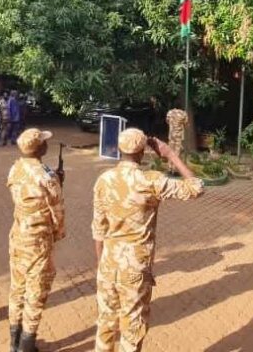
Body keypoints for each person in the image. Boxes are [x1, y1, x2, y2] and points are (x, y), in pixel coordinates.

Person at [92, 128, 204, 352]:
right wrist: (170, 154)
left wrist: (101, 264)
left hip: (108, 262)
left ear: (120, 149)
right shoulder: (150, 181)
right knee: (133, 328)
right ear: (143, 152)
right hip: (135, 266)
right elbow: (197, 187)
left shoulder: (104, 180)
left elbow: (98, 230)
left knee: (105, 324)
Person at [7, 128, 65, 352]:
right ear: (39, 148)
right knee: (36, 289)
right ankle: (27, 343)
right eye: (44, 142)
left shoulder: (15, 168)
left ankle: (14, 340)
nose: (46, 144)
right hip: (38, 239)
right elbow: (57, 209)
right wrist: (58, 233)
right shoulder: (46, 175)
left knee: (17, 287)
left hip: (18, 233)